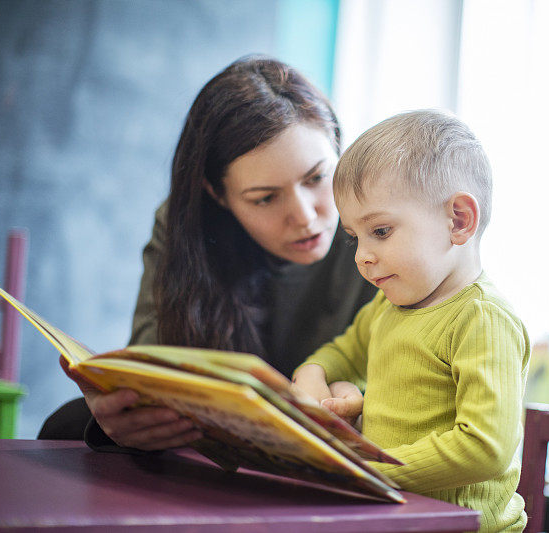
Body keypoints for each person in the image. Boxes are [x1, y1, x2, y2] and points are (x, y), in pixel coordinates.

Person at [38, 55, 377, 449]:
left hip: (348, 437)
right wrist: (129, 414)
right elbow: (154, 362)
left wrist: (356, 395)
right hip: (219, 441)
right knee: (70, 423)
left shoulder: (383, 221)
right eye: (265, 198)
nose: (304, 217)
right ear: (217, 195)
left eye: (317, 177)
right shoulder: (186, 228)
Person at [292, 110, 530, 532]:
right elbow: (338, 355)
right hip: (395, 515)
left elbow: (485, 447)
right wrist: (311, 376)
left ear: (458, 220)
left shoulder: (482, 319)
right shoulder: (386, 308)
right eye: (354, 237)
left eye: (380, 231)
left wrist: (371, 470)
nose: (361, 256)